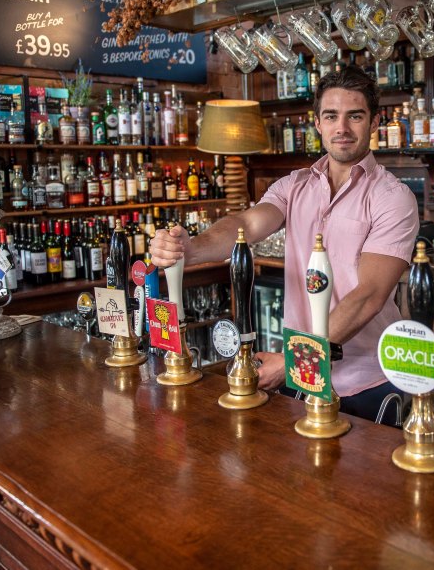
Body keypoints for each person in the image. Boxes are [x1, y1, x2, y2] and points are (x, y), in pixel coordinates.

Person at [149, 66, 419, 422]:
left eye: (355, 116)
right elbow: (245, 223)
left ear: (373, 122)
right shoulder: (295, 186)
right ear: (317, 123)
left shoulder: (392, 198)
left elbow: (368, 295)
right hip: (303, 373)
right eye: (331, 116)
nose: (342, 128)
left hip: (366, 382)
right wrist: (189, 249)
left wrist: (294, 362)